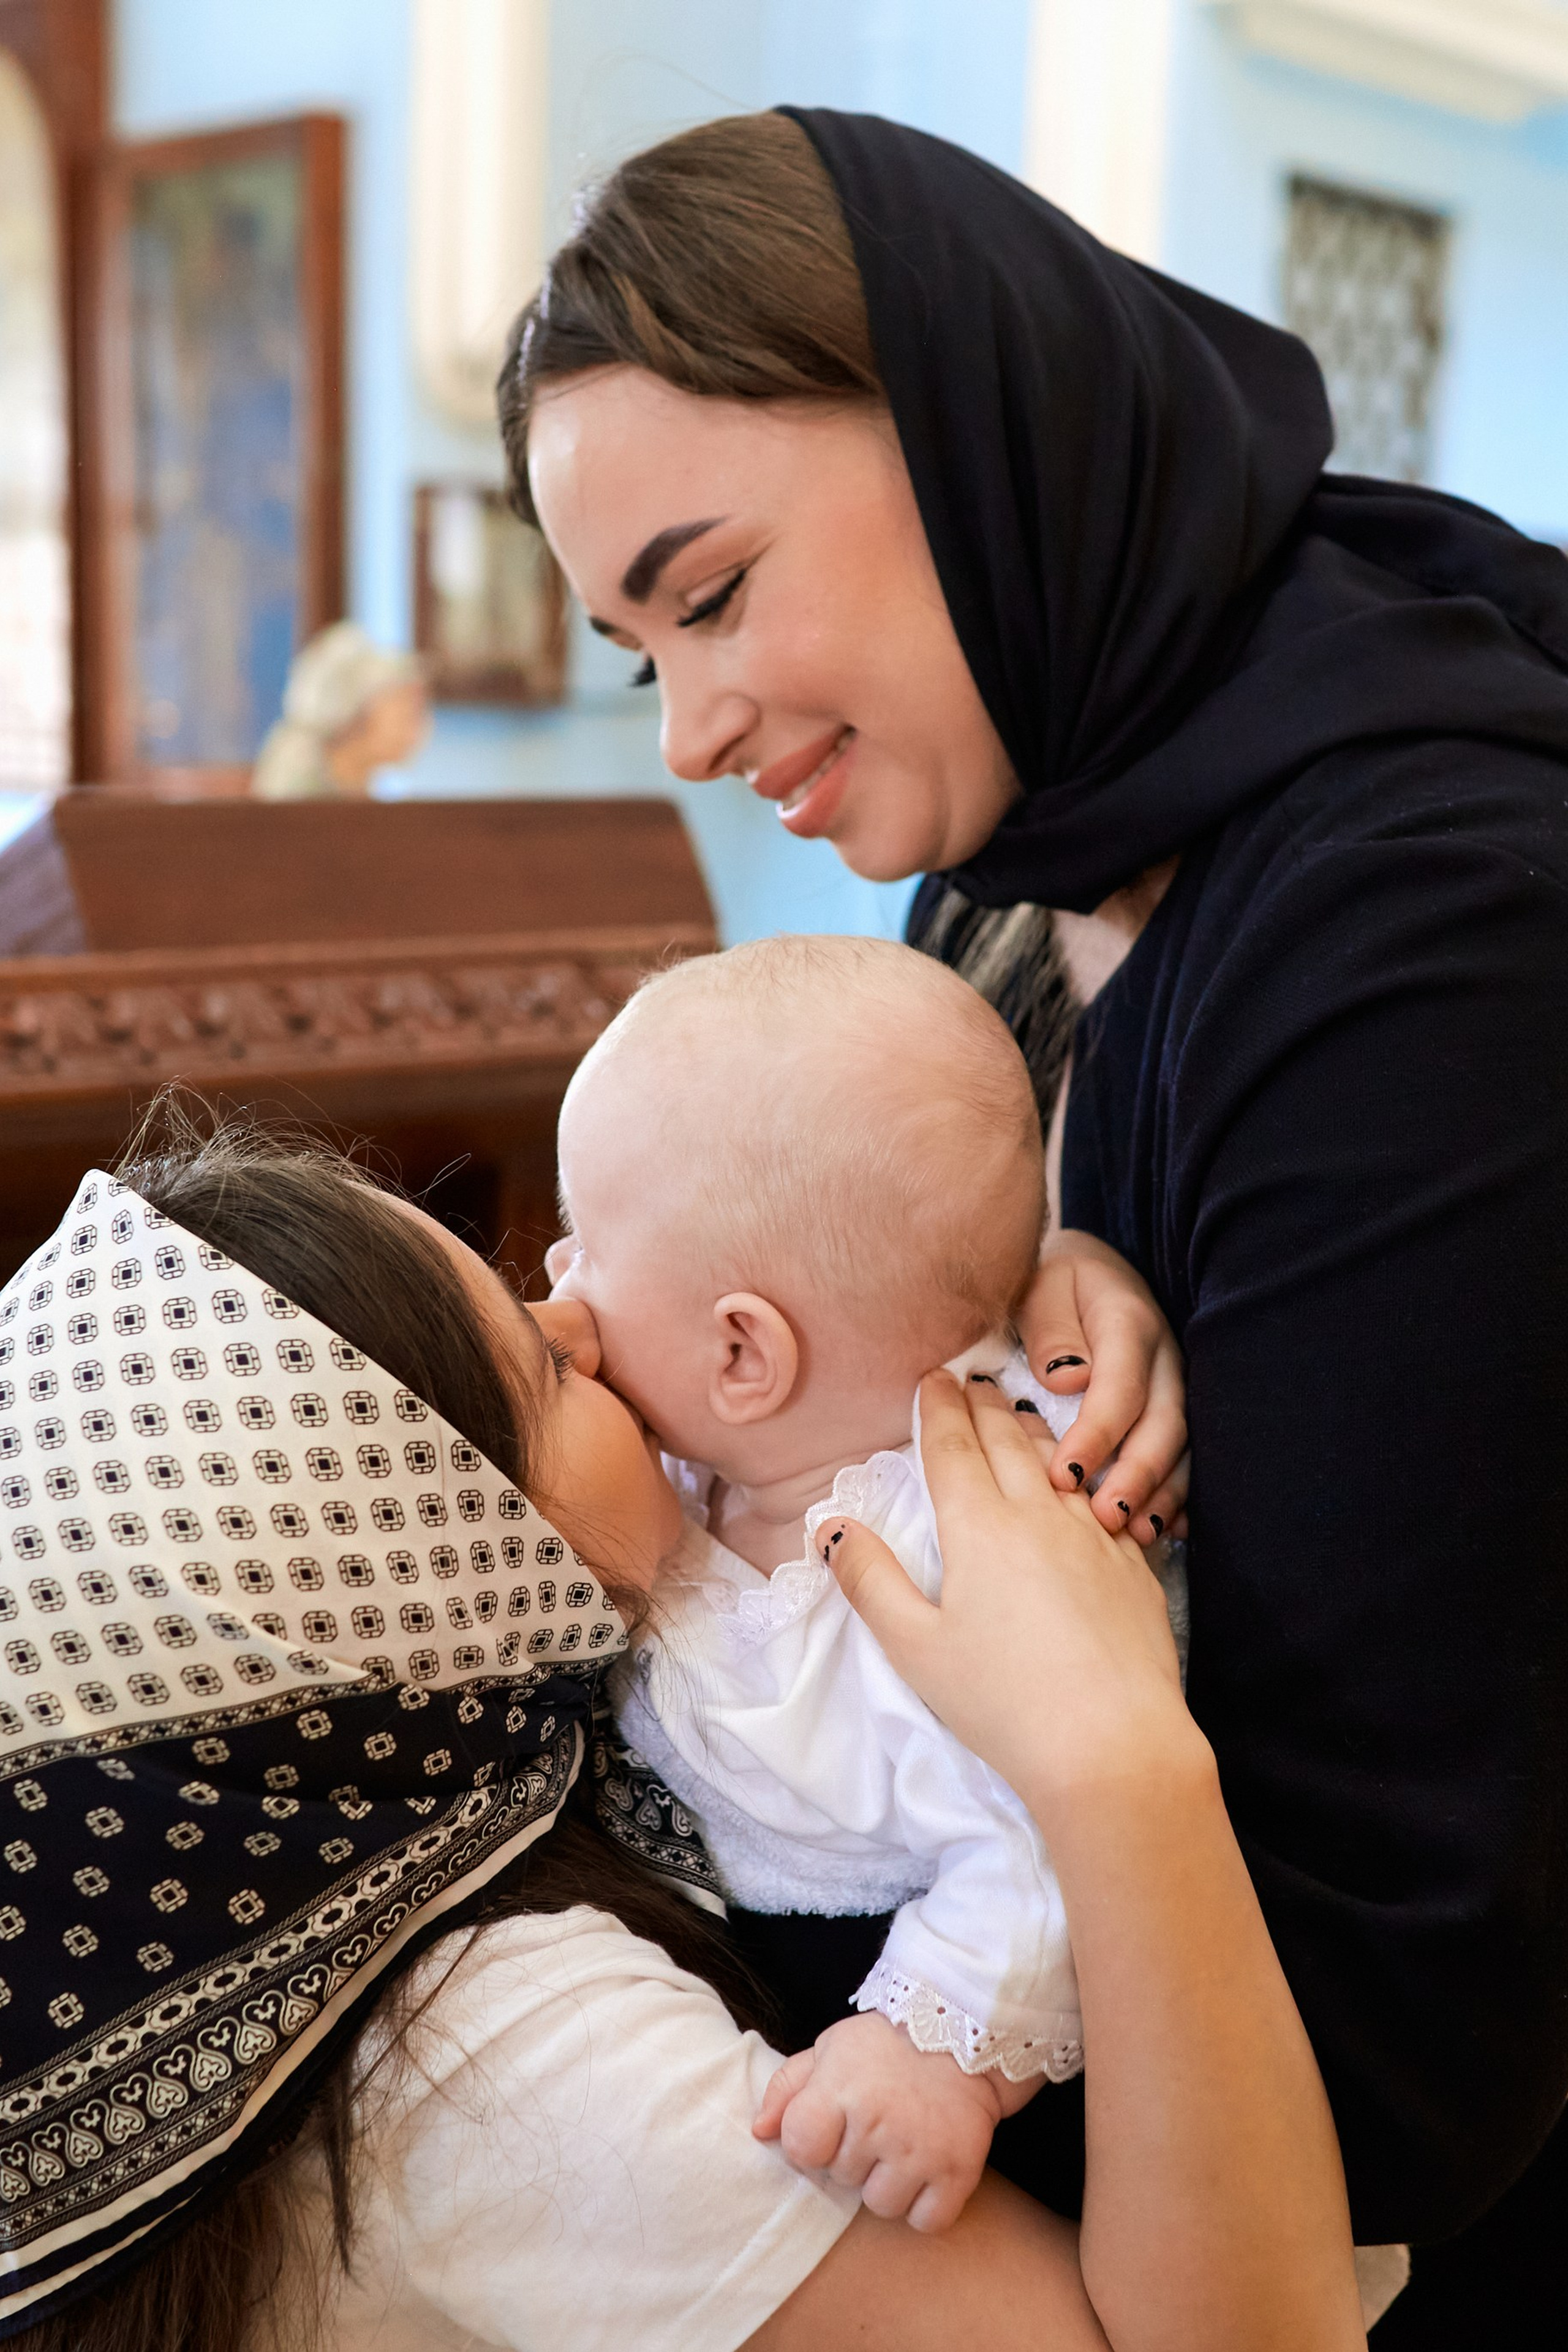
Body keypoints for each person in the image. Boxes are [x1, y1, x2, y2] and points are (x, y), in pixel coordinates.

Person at [502, 109, 1568, 2343]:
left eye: (710, 594)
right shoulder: (1002, 885)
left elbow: (1401, 2018)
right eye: (637, 654)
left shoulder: (1424, 918)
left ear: (988, 436)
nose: (693, 730)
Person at [0, 1115, 1365, 2351]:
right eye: (540, 1364)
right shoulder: (506, 2071)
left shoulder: (424, 1770)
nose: (585, 1323)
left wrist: (1004, 1304)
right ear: (449, 1561)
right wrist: (1114, 1759)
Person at [551, 931, 1194, 2235]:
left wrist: (935, 2051)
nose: (557, 1289)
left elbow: (1054, 1836)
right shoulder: (696, 1468)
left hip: (993, 2101)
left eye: (582, 1251)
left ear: (744, 1352)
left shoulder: (972, 1545)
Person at [251, 622, 429, 801]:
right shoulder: (297, 770)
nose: (421, 729)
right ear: (357, 714)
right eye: (407, 715)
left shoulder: (356, 783)